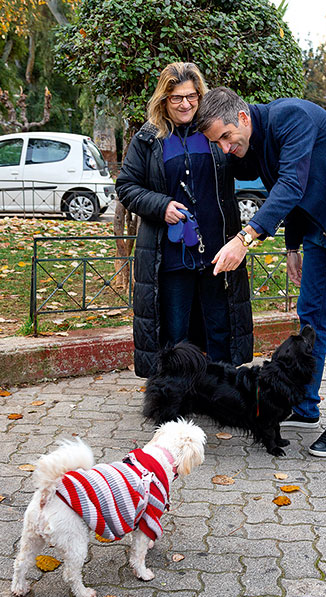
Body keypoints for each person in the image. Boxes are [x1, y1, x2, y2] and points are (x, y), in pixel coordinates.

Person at [195, 87, 326, 458]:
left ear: (242, 118)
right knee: (310, 316)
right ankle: (305, 406)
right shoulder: (256, 141)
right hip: (318, 223)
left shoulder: (292, 117)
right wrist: (292, 248)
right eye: (216, 142)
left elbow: (291, 185)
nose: (224, 147)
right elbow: (291, 192)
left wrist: (245, 238)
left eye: (224, 136)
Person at [116, 64, 252, 378]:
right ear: (164, 100)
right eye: (176, 97)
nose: (185, 104)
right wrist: (160, 205)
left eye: (192, 96)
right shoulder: (149, 139)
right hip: (171, 256)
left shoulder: (215, 132)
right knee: (175, 334)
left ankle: (221, 395)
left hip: (218, 254)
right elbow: (126, 186)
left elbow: (245, 160)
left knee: (219, 329)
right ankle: (174, 398)